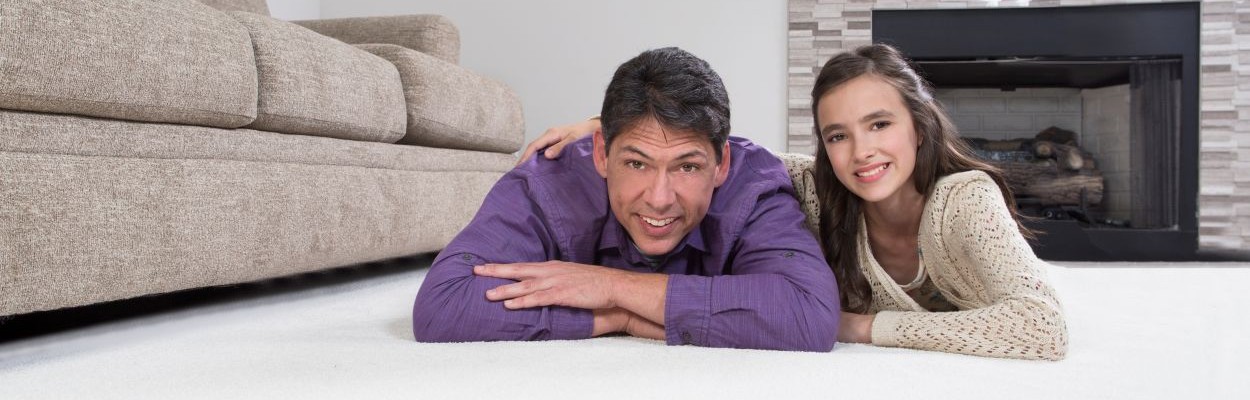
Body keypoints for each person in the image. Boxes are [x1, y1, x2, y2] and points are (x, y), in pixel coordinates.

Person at [524, 44, 1068, 360]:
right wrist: (606, 126)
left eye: (879, 125)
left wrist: (858, 327)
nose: (862, 153)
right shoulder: (818, 185)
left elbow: (1041, 329)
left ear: (918, 128)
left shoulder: (964, 199)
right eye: (838, 135)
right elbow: (715, 151)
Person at [412, 47, 840, 352]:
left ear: (721, 163)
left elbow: (808, 315)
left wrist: (611, 287)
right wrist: (618, 317)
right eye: (637, 164)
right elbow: (444, 304)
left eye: (687, 167)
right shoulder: (550, 181)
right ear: (601, 152)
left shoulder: (754, 183)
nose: (658, 198)